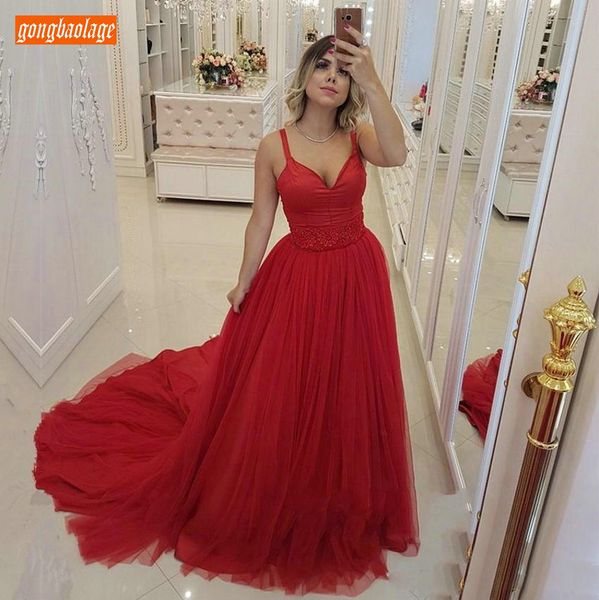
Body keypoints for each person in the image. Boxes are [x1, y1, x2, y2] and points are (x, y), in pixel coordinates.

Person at [33, 27, 420, 597]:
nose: (332, 79)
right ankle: (290, 475)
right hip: (298, 275)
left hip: (357, 273)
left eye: (343, 72)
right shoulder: (274, 146)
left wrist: (375, 80)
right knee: (289, 382)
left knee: (348, 378)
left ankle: (338, 479)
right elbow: (261, 218)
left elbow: (399, 153)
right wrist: (244, 280)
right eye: (323, 67)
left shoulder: (359, 135)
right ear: (306, 76)